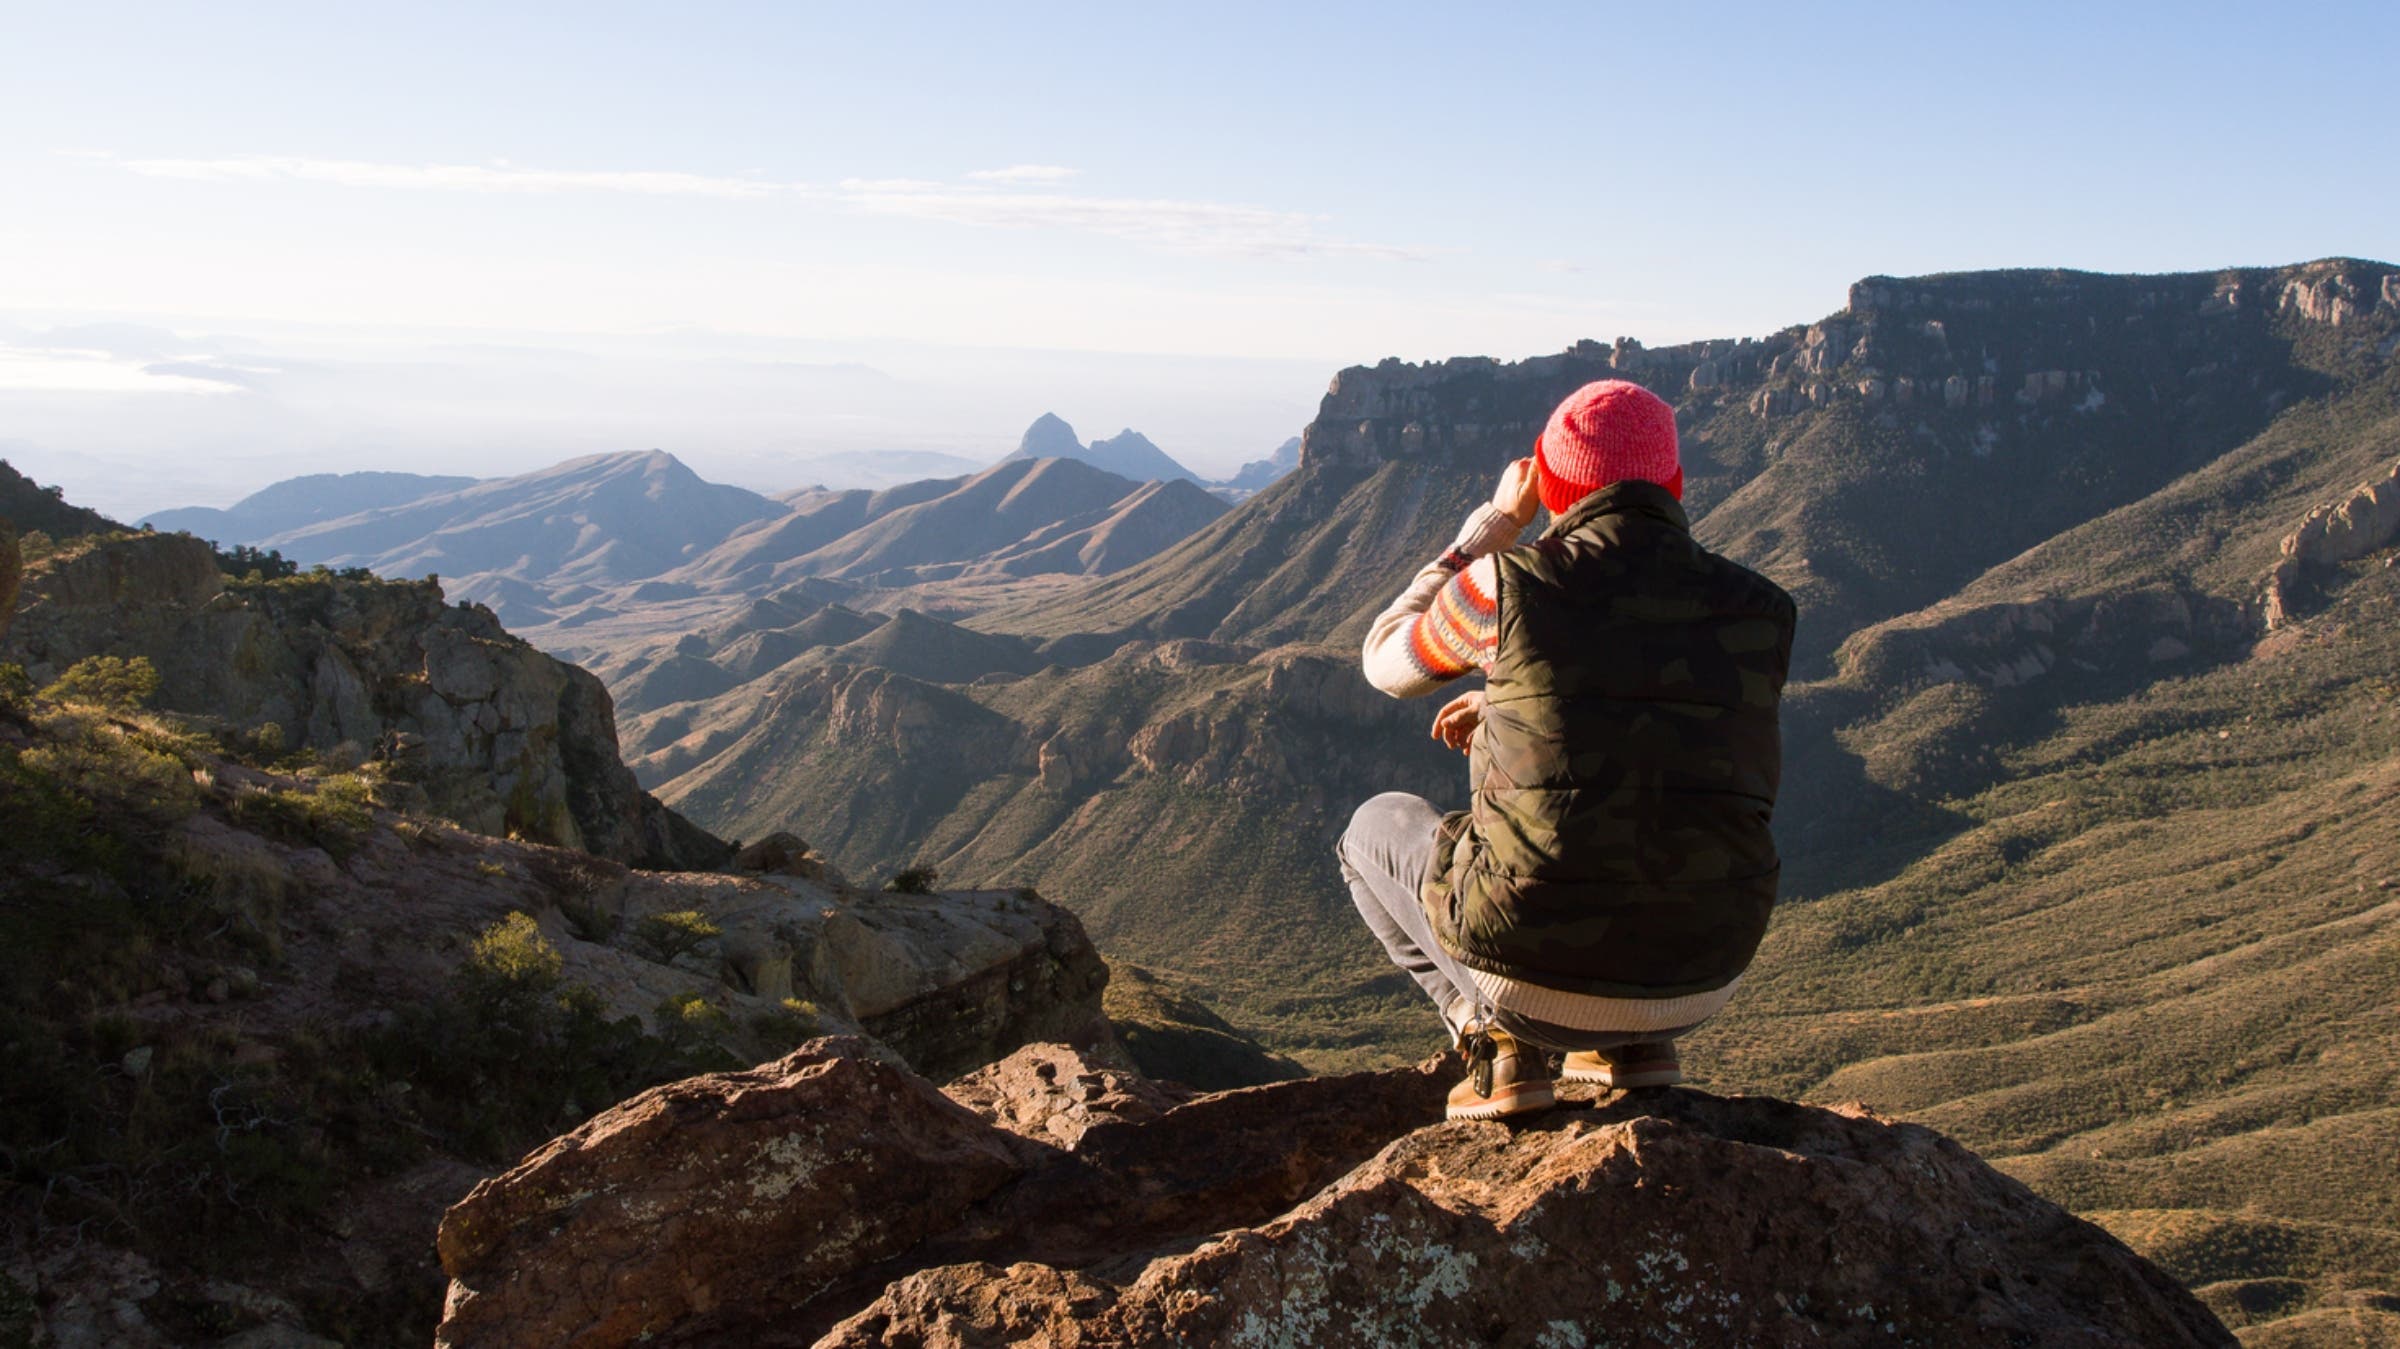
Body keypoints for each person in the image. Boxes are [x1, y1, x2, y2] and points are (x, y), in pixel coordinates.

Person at [1340, 378, 1796, 1120]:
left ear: (1550, 484)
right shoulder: (1765, 609)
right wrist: (1507, 705)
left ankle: (1495, 1042)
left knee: (1371, 827)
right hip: (1704, 974)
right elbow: (1672, 725)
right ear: (1675, 483)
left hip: (1527, 976)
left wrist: (1487, 529)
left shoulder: (1504, 585)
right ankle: (1632, 1049)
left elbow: (1385, 661)